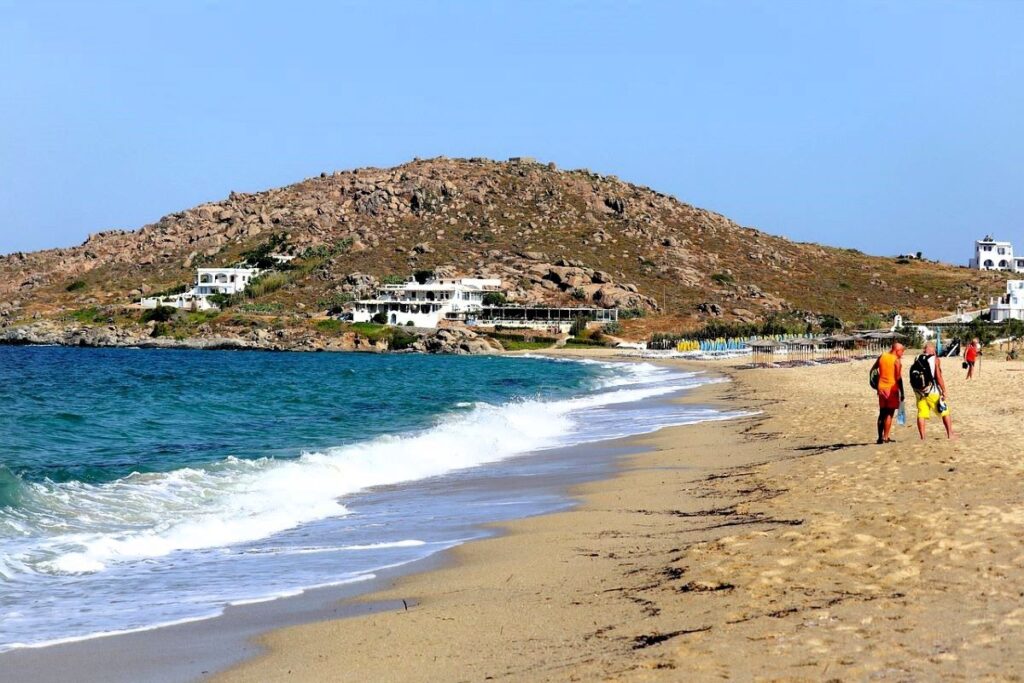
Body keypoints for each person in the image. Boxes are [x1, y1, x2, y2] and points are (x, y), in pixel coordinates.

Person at [914, 341, 954, 440]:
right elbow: (938, 376)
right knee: (945, 411)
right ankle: (950, 434)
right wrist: (944, 390)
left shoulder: (917, 357)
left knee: (921, 413)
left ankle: (923, 437)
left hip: (919, 390)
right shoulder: (935, 359)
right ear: (933, 350)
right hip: (932, 390)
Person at [870, 342, 905, 444]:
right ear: (897, 350)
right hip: (892, 390)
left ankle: (879, 438)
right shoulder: (896, 361)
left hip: (881, 389)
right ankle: (886, 437)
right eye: (902, 352)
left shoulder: (882, 356)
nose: (902, 354)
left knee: (882, 413)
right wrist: (902, 392)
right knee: (889, 414)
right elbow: (898, 378)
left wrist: (876, 384)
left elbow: (873, 369)